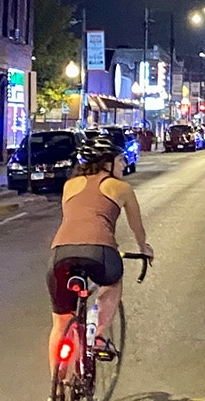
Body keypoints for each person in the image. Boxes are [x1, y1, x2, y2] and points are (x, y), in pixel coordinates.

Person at [46, 136, 153, 379]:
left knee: (60, 323)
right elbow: (137, 227)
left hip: (60, 254)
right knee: (112, 284)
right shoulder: (122, 188)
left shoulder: (70, 185)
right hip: (100, 251)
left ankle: (57, 388)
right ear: (107, 164)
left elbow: (72, 219)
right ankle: (99, 336)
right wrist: (144, 248)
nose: (124, 164)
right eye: (120, 160)